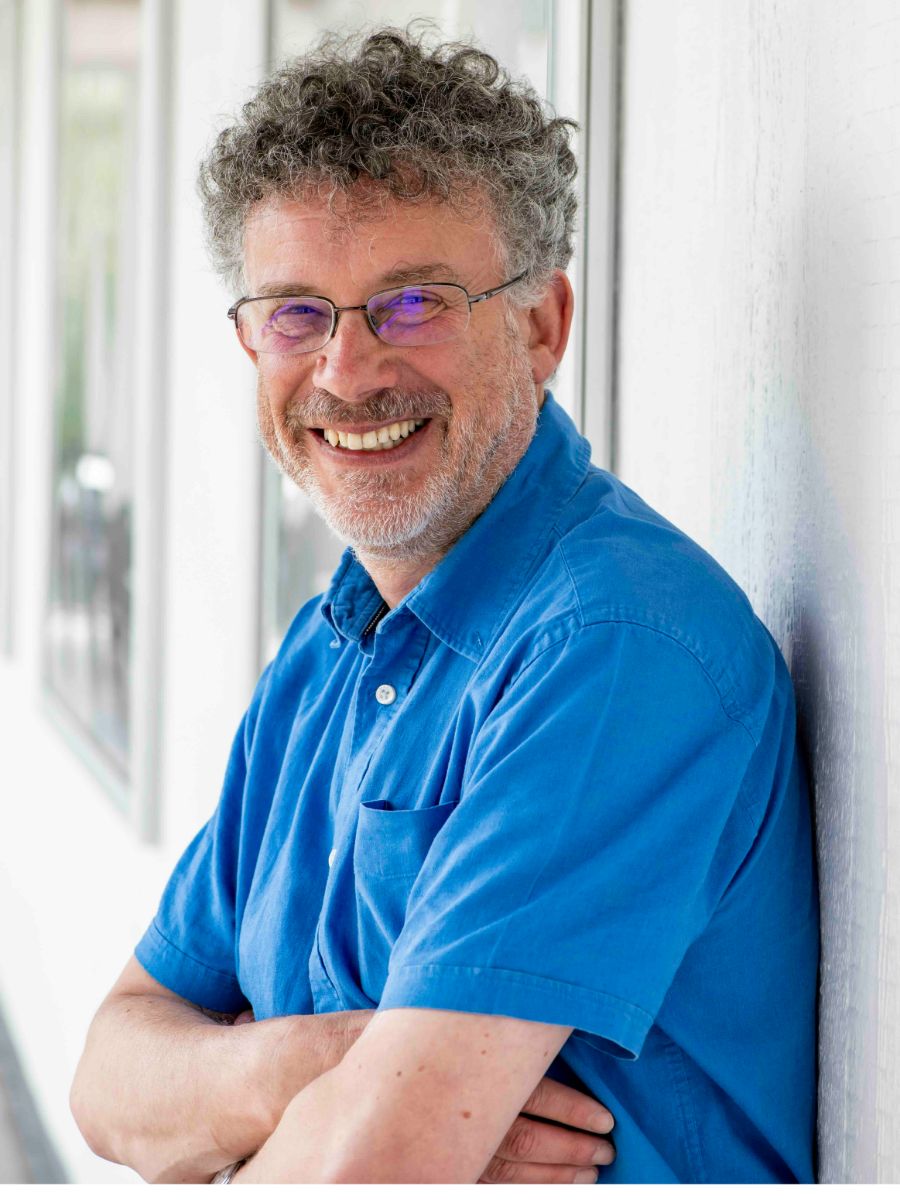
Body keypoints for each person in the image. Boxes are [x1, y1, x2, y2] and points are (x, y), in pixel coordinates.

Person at [70, 27, 819, 1184]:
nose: (347, 371)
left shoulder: (615, 649)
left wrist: (298, 1117)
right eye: (296, 313)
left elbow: (368, 1169)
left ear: (540, 326)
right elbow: (109, 1075)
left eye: (412, 304)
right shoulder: (327, 655)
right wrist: (303, 1070)